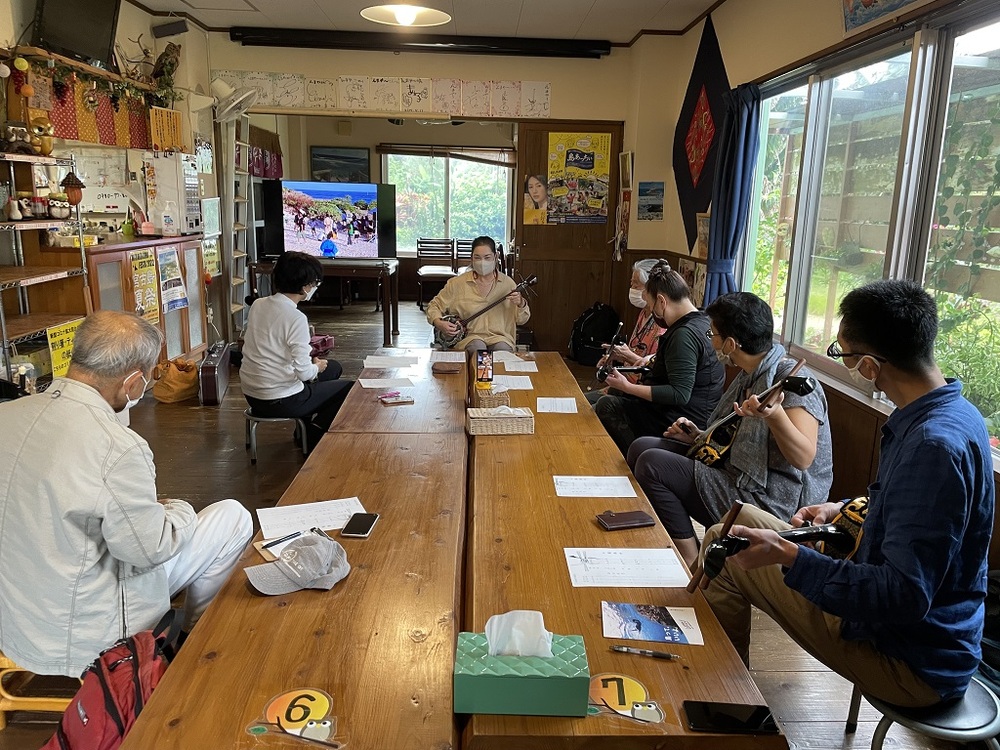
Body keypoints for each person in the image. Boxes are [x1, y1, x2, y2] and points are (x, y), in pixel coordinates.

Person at [702, 280, 993, 708]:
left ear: (870, 367)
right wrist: (839, 508)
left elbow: (902, 596)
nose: (846, 362)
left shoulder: (932, 446)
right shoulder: (955, 412)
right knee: (734, 525)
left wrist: (791, 556)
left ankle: (726, 708)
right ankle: (725, 694)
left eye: (844, 354)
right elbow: (921, 517)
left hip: (908, 659)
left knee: (724, 550)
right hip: (919, 635)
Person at [0, 311, 253, 677]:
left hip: (19, 621)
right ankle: (194, 645)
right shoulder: (117, 446)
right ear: (133, 382)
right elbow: (149, 550)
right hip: (92, 633)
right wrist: (177, 508)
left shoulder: (9, 414)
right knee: (232, 517)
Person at [629, 291, 832, 568]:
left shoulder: (792, 380)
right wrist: (699, 436)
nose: (709, 340)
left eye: (712, 334)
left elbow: (804, 458)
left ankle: (691, 560)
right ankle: (673, 540)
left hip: (774, 500)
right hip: (736, 473)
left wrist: (775, 416)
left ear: (730, 343)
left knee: (653, 464)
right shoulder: (752, 374)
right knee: (641, 447)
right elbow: (737, 435)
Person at [594, 262, 724, 457]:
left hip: (681, 421)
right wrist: (646, 361)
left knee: (607, 405)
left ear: (662, 301)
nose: (651, 310)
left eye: (650, 303)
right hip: (682, 411)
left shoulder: (684, 335)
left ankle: (631, 462)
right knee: (610, 395)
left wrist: (627, 386)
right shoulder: (703, 321)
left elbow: (679, 394)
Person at [240, 252, 353, 447]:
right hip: (281, 399)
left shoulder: (258, 305)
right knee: (349, 388)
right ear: (305, 286)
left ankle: (303, 429)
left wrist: (317, 367)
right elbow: (304, 374)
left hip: (253, 394)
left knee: (333, 368)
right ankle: (314, 432)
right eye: (315, 282)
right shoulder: (296, 318)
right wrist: (317, 367)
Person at [585, 258, 667, 406]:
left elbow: (652, 369)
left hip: (638, 392)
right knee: (581, 401)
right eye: (631, 283)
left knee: (591, 406)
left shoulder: (661, 325)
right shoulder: (643, 314)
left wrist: (627, 355)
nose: (632, 288)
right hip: (625, 384)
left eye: (636, 284)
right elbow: (637, 351)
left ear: (650, 287)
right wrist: (616, 355)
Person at [426, 236, 530, 352]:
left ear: (495, 257)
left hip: (501, 338)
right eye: (477, 257)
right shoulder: (457, 283)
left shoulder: (508, 284)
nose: (482, 262)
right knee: (477, 347)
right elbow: (434, 305)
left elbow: (522, 320)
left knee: (502, 350)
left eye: (487, 257)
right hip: (469, 338)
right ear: (471, 258)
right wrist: (438, 322)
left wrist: (521, 303)